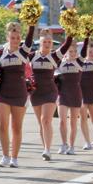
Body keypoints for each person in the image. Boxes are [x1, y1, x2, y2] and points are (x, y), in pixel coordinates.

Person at [0, 22, 35, 168]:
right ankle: (5, 156)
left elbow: (30, 38)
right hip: (3, 93)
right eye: (12, 37)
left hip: (19, 93)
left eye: (17, 38)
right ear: (8, 38)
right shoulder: (1, 52)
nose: (15, 40)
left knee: (16, 127)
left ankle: (14, 157)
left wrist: (31, 22)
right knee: (2, 126)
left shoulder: (23, 51)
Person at [30, 28, 72, 161]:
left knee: (45, 120)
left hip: (50, 91)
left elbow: (66, 44)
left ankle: (48, 150)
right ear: (40, 43)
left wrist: (70, 28)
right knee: (40, 123)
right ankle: (45, 148)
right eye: (44, 42)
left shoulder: (55, 56)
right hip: (35, 92)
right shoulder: (31, 55)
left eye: (49, 42)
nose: (47, 44)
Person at [57, 40, 83, 155]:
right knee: (62, 120)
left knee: (73, 122)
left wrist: (87, 34)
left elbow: (86, 45)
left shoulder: (79, 62)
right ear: (66, 53)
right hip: (63, 94)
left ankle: (72, 146)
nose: (72, 53)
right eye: (70, 51)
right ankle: (64, 144)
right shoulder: (60, 63)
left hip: (76, 94)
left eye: (74, 52)